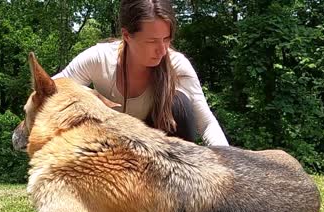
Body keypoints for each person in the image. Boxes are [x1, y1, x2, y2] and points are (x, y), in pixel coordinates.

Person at [52, 0, 229, 146]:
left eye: (166, 39)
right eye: (152, 41)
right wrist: (87, 96)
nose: (162, 50)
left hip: (155, 151)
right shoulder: (99, 59)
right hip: (105, 148)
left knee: (179, 105)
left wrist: (228, 169)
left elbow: (206, 124)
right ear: (127, 36)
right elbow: (50, 90)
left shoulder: (178, 65)